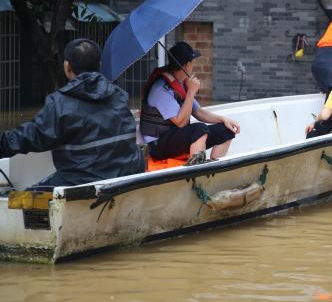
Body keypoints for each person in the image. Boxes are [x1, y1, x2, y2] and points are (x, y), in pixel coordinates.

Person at [0, 39, 145, 190]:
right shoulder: (120, 95)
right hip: (127, 174)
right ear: (99, 65)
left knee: (29, 196)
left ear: (67, 67)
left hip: (81, 181)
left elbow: (29, 137)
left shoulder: (59, 103)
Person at [140, 42, 240, 164]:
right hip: (157, 145)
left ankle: (214, 168)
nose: (193, 65)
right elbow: (181, 122)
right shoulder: (161, 89)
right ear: (187, 65)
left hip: (175, 138)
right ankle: (197, 171)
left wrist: (224, 120)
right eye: (193, 62)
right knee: (199, 129)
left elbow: (198, 112)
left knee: (226, 130)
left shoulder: (181, 84)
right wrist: (191, 92)